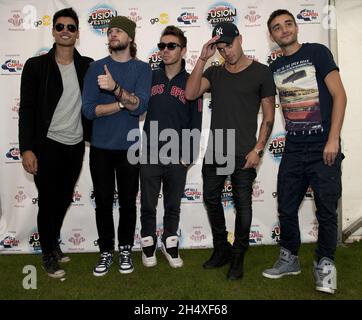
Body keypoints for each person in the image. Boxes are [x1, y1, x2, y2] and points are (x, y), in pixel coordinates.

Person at [262, 9, 347, 295]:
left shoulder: (317, 53)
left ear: (296, 27)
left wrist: (333, 138)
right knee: (286, 207)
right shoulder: (273, 68)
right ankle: (290, 259)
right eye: (277, 27)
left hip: (324, 144)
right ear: (272, 35)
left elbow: (339, 94)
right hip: (294, 147)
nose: (283, 30)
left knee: (326, 209)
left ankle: (325, 264)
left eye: (287, 24)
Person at [185, 22, 275, 280]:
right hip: (216, 151)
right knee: (211, 200)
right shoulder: (214, 72)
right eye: (221, 48)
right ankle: (222, 249)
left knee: (243, 207)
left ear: (240, 39)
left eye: (229, 45)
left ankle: (238, 255)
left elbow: (268, 117)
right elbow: (191, 94)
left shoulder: (261, 72)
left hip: (244, 152)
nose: (226, 52)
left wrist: (258, 149)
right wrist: (202, 59)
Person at [19, 8, 93, 278]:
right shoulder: (35, 66)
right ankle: (48, 253)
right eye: (60, 26)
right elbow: (26, 109)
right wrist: (27, 148)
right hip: (46, 145)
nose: (65, 31)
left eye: (71, 27)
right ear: (53, 31)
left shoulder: (88, 66)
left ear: (77, 33)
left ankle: (53, 242)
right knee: (48, 202)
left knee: (62, 199)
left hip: (75, 147)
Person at [82, 16, 152, 277]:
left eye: (118, 31)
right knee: (102, 202)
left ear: (130, 38)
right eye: (110, 31)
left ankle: (124, 249)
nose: (112, 34)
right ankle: (105, 251)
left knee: (127, 203)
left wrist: (115, 89)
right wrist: (122, 102)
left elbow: (140, 107)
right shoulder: (95, 68)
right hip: (100, 147)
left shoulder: (143, 70)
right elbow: (89, 111)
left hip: (130, 148)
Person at [140, 26, 202, 269]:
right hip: (150, 152)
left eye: (171, 46)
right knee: (147, 203)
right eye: (162, 46)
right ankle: (147, 243)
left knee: (172, 204)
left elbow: (196, 122)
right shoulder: (149, 77)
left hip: (178, 156)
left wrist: (188, 156)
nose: (165, 50)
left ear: (183, 50)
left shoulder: (191, 82)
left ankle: (170, 241)